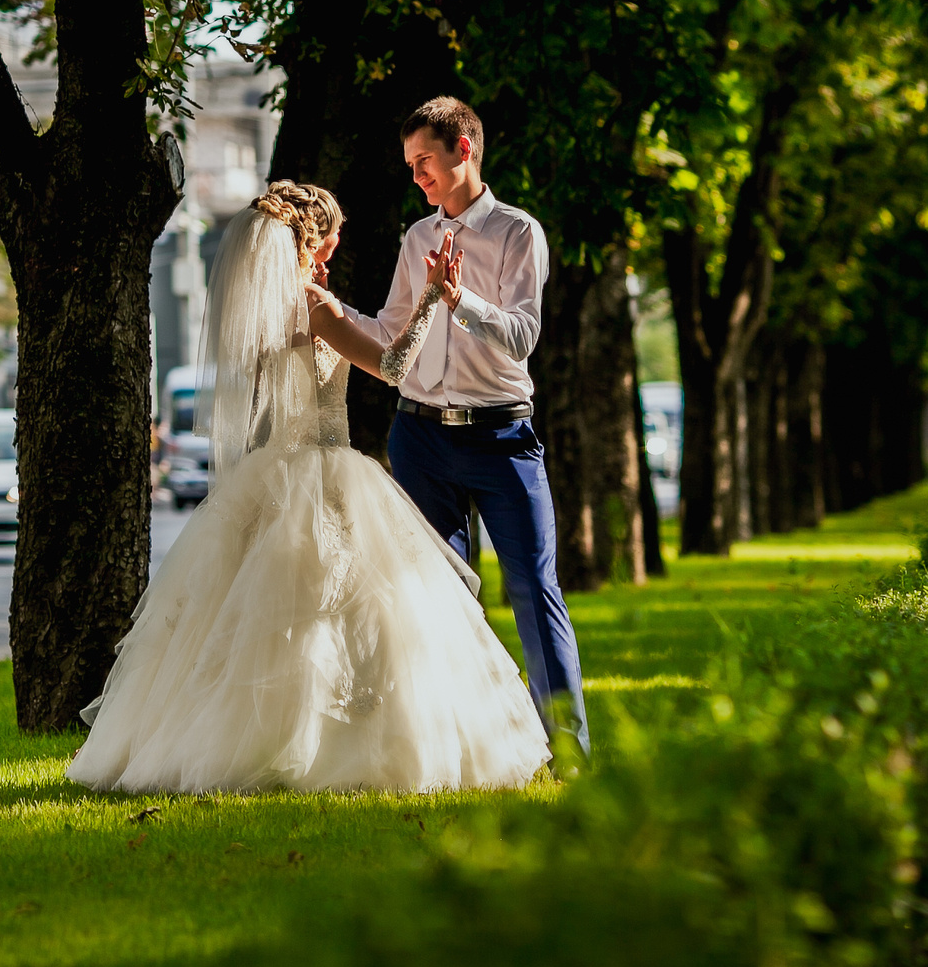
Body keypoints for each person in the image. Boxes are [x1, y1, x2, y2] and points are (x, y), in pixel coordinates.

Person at [67, 182, 551, 795]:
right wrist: (434, 298)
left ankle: (232, 742)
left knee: (254, 615)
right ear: (308, 240)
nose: (330, 256)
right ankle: (335, 750)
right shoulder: (315, 305)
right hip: (325, 468)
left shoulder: (261, 309)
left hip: (270, 470)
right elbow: (395, 367)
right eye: (329, 243)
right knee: (350, 610)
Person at [313, 96, 589, 756]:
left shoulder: (520, 233)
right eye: (410, 165)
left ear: (463, 149)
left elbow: (522, 335)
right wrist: (328, 307)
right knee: (434, 595)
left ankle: (569, 748)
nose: (417, 176)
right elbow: (389, 338)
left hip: (502, 439)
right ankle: (463, 746)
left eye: (424, 161)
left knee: (533, 588)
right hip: (421, 439)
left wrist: (458, 300)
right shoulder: (417, 240)